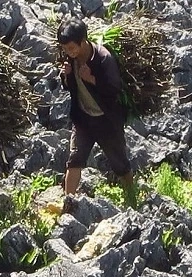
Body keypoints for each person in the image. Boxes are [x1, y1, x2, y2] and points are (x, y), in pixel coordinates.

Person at [57, 16, 137, 207]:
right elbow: (69, 87)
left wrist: (92, 79)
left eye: (71, 48)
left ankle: (133, 199)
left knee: (120, 164)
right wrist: (66, 76)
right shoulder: (71, 58)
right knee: (75, 159)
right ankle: (68, 204)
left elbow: (114, 90)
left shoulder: (103, 58)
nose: (68, 52)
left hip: (106, 120)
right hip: (83, 118)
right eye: (65, 49)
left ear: (83, 41)